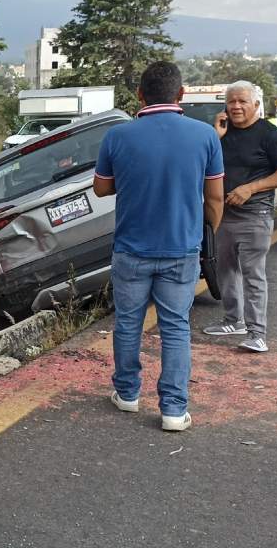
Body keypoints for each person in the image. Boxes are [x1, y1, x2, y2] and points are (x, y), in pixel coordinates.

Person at [93, 61, 225, 432]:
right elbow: (215, 199)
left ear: (139, 94)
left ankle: (128, 394)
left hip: (131, 249)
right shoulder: (205, 136)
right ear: (181, 94)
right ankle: (172, 408)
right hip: (182, 250)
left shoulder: (118, 136)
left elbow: (102, 188)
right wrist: (207, 234)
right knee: (176, 327)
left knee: (128, 323)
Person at [204, 81, 277, 353]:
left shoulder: (270, 135)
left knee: (253, 274)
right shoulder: (221, 132)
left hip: (255, 213)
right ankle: (234, 321)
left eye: (242, 101)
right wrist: (215, 136)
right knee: (225, 269)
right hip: (223, 213)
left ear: (256, 105)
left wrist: (250, 188)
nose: (235, 106)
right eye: (231, 101)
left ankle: (258, 333)